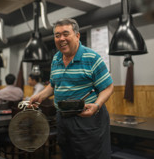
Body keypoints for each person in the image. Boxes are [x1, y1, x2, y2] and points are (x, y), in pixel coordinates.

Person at [30, 18, 114, 159]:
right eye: (57, 35)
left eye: (65, 34)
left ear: (77, 35)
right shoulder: (56, 59)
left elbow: (108, 87)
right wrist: (41, 95)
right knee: (67, 154)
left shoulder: (92, 58)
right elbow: (54, 84)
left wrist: (97, 105)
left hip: (88, 119)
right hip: (63, 119)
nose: (61, 38)